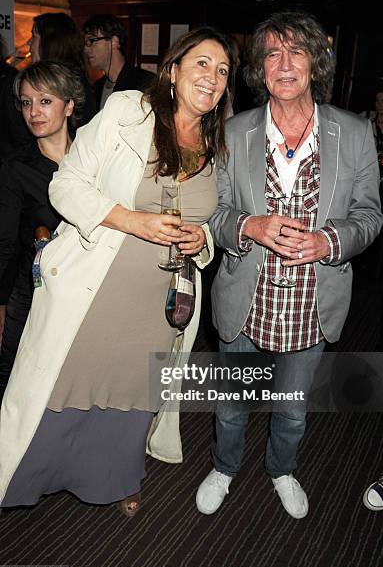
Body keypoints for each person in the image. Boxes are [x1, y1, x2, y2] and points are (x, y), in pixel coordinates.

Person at [0, 27, 237, 516]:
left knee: (133, 398)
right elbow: (66, 186)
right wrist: (133, 221)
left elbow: (206, 221)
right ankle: (22, 480)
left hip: (161, 302)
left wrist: (202, 240)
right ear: (172, 70)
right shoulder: (129, 111)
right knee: (66, 389)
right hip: (97, 287)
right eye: (201, 64)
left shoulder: (217, 143)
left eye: (222, 71)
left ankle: (112, 480)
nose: (212, 78)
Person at [195, 11, 383, 519]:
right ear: (258, 67)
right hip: (245, 300)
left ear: (314, 63)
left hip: (310, 305)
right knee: (232, 405)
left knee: (293, 411)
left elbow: (370, 216)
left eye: (296, 51)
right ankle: (224, 466)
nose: (284, 64)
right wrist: (248, 227)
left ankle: (281, 469)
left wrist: (330, 241)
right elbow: (210, 213)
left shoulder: (355, 132)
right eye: (271, 53)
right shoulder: (231, 132)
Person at [0, 61, 85, 397]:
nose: (33, 112)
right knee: (16, 388)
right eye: (26, 102)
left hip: (82, 295)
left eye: (45, 101)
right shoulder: (15, 167)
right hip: (31, 296)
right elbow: (4, 244)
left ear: (69, 105)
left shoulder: (92, 159)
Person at [30, 12, 97, 128]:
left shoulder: (67, 81)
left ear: (50, 42)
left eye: (34, 36)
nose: (29, 42)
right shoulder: (74, 76)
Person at [83, 14, 155, 111]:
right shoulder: (96, 88)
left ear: (114, 41)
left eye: (91, 41)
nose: (85, 49)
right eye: (85, 43)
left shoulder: (144, 83)